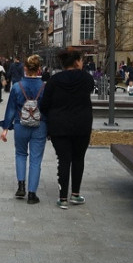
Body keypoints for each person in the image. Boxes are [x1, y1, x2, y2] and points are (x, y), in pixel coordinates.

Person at [40, 48, 95, 209]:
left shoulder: (54, 80)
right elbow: (89, 91)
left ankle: (62, 198)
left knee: (63, 160)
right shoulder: (86, 78)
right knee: (78, 159)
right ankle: (75, 194)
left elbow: (45, 104)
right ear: (77, 61)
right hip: (82, 125)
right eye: (81, 60)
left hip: (59, 126)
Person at [0, 55, 47, 205]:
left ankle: (21, 186)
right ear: (39, 69)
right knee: (35, 160)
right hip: (40, 125)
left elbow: (11, 109)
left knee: (20, 154)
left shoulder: (17, 87)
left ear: (25, 68)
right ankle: (32, 194)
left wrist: (6, 127)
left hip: (20, 124)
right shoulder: (45, 87)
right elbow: (49, 109)